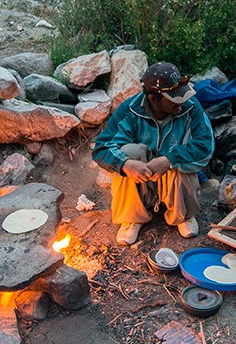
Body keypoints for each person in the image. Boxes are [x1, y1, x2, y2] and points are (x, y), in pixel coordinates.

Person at [92, 62, 215, 246]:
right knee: (127, 153)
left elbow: (205, 144)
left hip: (173, 180)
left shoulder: (190, 107)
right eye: (174, 98)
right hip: (142, 181)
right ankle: (133, 217)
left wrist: (169, 159)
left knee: (181, 158)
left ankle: (182, 215)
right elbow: (101, 149)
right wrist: (126, 165)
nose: (181, 101)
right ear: (154, 98)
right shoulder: (130, 110)